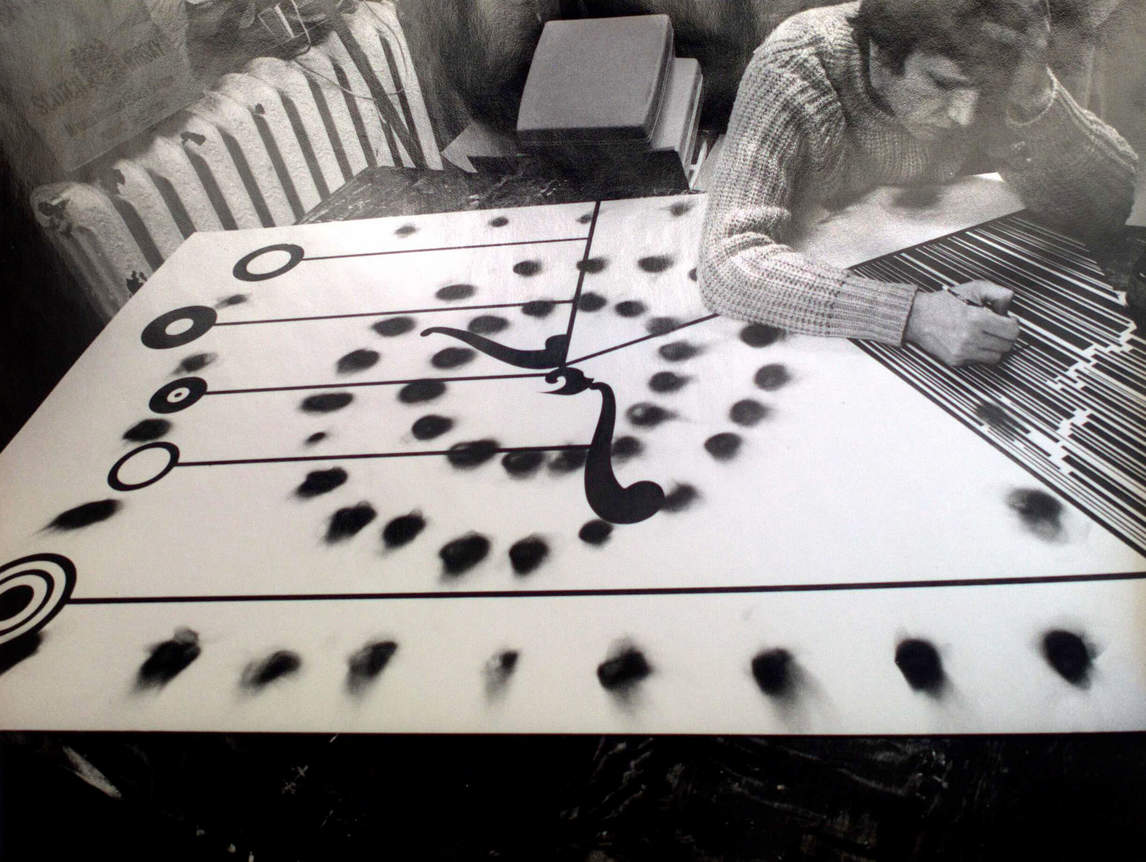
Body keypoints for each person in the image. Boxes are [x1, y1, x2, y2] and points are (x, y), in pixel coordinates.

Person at [698, 0, 1138, 366]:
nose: (964, 114)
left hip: (935, 258)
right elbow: (728, 261)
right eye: (941, 83)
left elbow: (1110, 204)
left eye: (981, 89)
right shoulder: (794, 63)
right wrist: (914, 315)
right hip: (827, 299)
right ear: (878, 49)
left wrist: (1033, 96)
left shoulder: (986, 67)